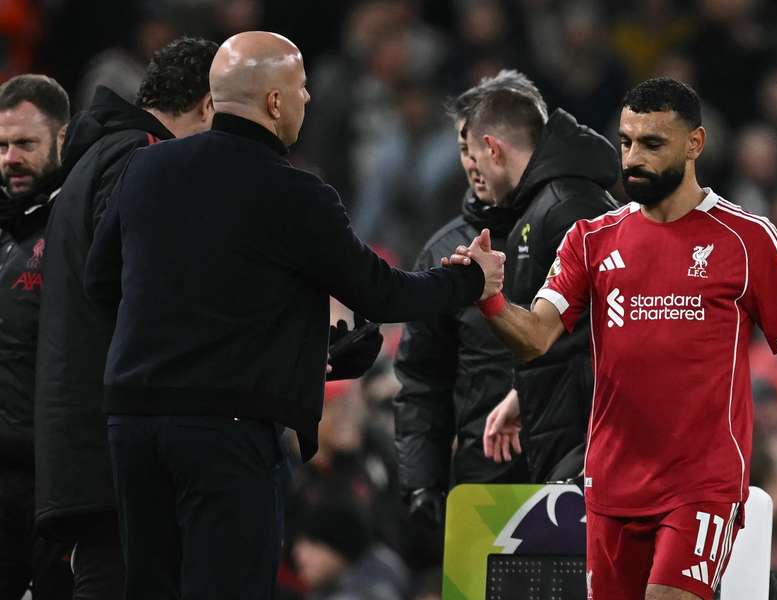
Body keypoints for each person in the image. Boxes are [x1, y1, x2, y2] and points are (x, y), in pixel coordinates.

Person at [82, 31, 504, 600]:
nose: (308, 100)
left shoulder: (144, 170)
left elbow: (100, 281)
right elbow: (382, 294)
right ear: (275, 102)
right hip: (226, 433)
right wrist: (470, 278)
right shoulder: (296, 194)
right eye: (302, 89)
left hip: (132, 424)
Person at [449, 77, 777, 600]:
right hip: (611, 485)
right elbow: (534, 338)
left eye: (652, 144)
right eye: (626, 142)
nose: (633, 158)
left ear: (695, 144)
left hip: (701, 485)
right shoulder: (591, 240)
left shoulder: (746, 239)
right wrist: (492, 298)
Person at [34, 37, 218, 599]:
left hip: (88, 439)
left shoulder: (102, 155)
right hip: (116, 444)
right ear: (210, 105)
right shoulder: (142, 156)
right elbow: (140, 287)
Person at [392, 70, 538, 528]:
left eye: (485, 146)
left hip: (576, 478)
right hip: (483, 483)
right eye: (463, 148)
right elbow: (422, 380)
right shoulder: (442, 253)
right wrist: (422, 482)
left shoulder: (578, 230)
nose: (474, 161)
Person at [463, 85, 619, 482]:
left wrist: (590, 451)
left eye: (474, 156)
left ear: (493, 148)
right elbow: (569, 327)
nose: (472, 170)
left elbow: (616, 325)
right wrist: (525, 392)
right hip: (570, 430)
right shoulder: (541, 209)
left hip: (590, 442)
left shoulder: (569, 208)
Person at [0, 74, 73, 600]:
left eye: (24, 143)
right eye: (1, 146)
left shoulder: (79, 228)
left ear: (61, 140)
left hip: (48, 482)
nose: (10, 158)